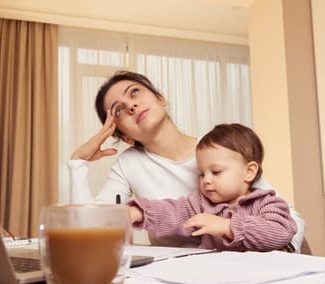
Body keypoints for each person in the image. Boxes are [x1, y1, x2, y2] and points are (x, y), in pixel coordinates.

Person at [68, 71, 305, 251]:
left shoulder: (220, 149)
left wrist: (274, 255)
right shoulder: (129, 164)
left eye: (134, 92)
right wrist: (78, 163)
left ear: (160, 98)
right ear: (123, 135)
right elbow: (90, 227)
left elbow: (287, 220)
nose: (131, 105)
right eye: (118, 110)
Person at [127, 123, 297, 252]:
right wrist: (139, 213)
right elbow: (171, 212)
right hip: (217, 282)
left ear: (249, 172)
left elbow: (280, 232)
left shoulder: (268, 203)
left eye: (216, 172)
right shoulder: (200, 205)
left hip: (264, 282)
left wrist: (227, 226)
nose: (206, 180)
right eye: (201, 174)